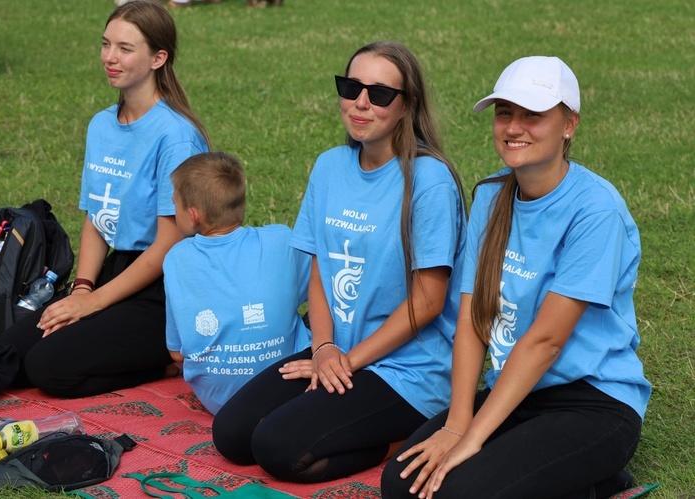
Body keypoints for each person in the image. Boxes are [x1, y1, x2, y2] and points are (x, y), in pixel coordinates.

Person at [381, 56, 651, 499]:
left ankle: (595, 479)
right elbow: (472, 318)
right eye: (505, 112)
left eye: (533, 115)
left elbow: (546, 342)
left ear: (569, 124)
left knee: (458, 493)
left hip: (594, 403)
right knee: (401, 484)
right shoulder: (491, 195)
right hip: (516, 390)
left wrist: (471, 440)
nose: (513, 127)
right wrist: (456, 423)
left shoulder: (595, 210)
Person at [212, 41, 466, 483]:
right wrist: (325, 348)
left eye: (380, 94)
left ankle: (401, 437)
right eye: (351, 87)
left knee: (277, 447)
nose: (361, 102)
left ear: (407, 107)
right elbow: (321, 272)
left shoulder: (429, 180)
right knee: (232, 435)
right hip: (338, 352)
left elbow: (427, 303)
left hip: (407, 370)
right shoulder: (329, 166)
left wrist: (345, 363)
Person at [0, 0, 210, 398]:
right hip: (117, 271)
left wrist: (93, 304)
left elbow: (169, 245)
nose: (110, 58)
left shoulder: (176, 137)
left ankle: (166, 362)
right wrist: (81, 288)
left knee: (49, 368)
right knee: (12, 351)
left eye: (125, 49)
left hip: (165, 288)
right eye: (106, 44)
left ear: (157, 58)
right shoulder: (100, 125)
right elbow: (97, 217)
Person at [164, 151, 311, 415]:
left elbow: (176, 354)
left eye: (175, 204)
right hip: (289, 386)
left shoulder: (176, 260)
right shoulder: (280, 240)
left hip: (219, 402)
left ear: (194, 215)